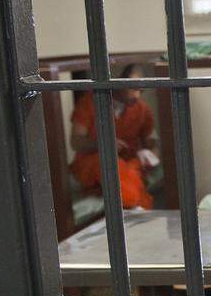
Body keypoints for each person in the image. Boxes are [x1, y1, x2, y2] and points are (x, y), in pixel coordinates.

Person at [68, 63, 159, 210]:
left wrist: (150, 154)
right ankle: (136, 208)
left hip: (129, 165)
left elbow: (152, 143)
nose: (137, 95)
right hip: (94, 163)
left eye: (141, 91)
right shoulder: (90, 102)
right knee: (110, 165)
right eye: (134, 89)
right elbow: (76, 142)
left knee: (132, 169)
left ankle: (136, 208)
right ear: (119, 81)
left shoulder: (142, 109)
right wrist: (104, 145)